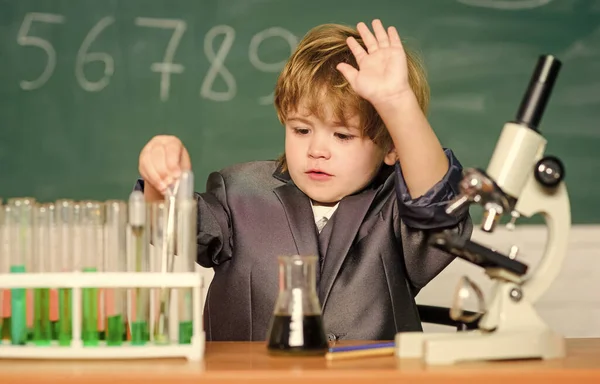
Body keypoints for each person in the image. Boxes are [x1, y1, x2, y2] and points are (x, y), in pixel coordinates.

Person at [135, 19, 472, 341]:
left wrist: (398, 105)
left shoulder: (397, 211)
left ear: (392, 146)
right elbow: (167, 227)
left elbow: (438, 208)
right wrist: (159, 179)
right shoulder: (239, 192)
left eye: (342, 135)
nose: (316, 150)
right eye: (301, 130)